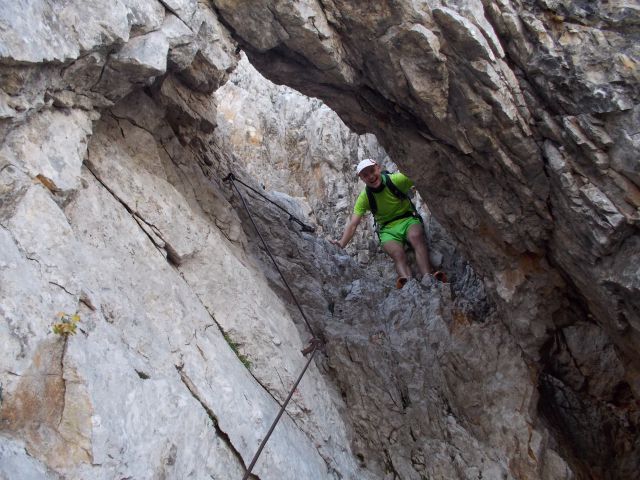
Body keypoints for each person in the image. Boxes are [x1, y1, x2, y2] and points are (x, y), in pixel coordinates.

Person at [331, 159, 444, 288]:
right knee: (398, 254)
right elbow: (353, 224)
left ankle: (428, 276)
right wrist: (341, 243)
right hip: (387, 230)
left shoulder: (396, 180)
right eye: (365, 175)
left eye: (372, 171)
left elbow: (419, 176)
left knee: (416, 237)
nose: (371, 176)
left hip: (408, 220)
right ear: (361, 178)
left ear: (378, 168)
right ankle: (407, 284)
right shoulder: (364, 198)